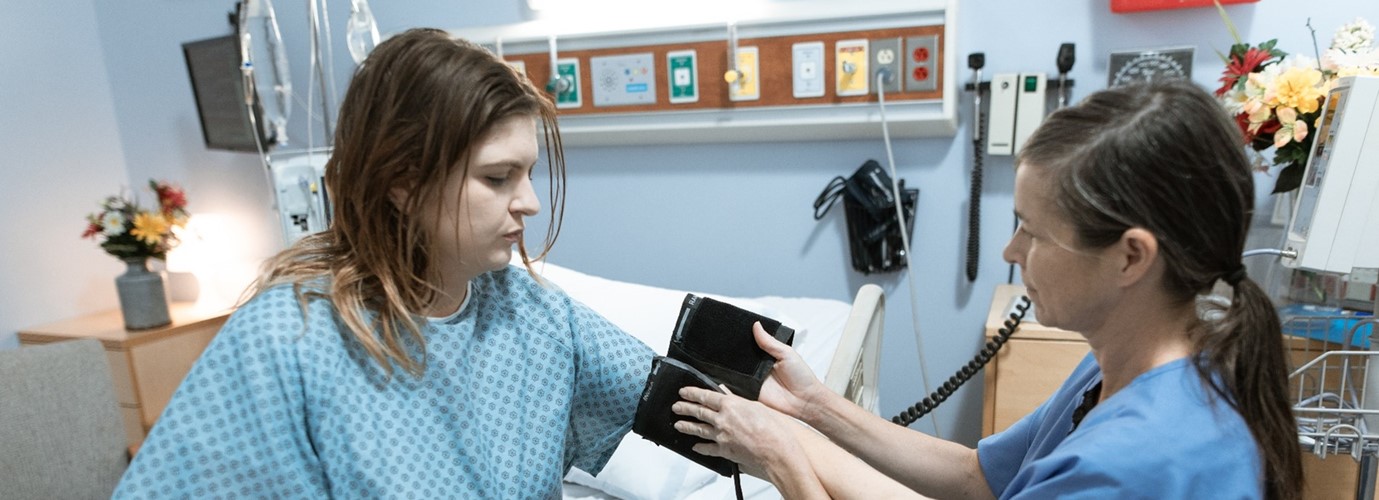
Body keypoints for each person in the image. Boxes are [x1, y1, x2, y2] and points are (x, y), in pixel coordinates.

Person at [673, 80, 1303, 499]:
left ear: (1131, 256)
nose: (1010, 251)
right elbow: (980, 478)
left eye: (1032, 231)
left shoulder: (1129, 467)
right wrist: (814, 411)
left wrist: (786, 462)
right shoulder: (1122, 368)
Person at [114, 28, 653, 498]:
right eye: (497, 178)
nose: (529, 202)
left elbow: (681, 396)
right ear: (403, 182)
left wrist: (737, 385)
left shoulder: (533, 313)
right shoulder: (287, 339)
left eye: (529, 173)